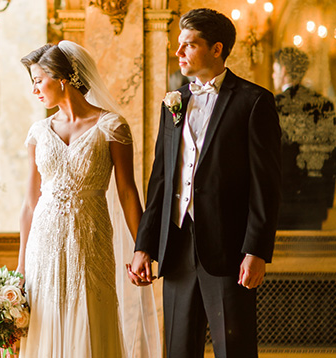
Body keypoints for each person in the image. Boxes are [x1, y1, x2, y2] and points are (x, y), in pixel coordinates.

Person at [129, 8, 281, 358]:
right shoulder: (174, 103)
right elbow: (161, 181)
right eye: (179, 45)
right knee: (179, 349)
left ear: (216, 49)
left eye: (189, 45)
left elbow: (267, 185)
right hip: (177, 244)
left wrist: (256, 250)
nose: (179, 52)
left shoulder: (254, 101)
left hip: (230, 250)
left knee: (235, 350)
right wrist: (144, 245)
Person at [17, 41, 160, 358]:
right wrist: (20, 268)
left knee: (90, 324)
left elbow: (127, 191)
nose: (35, 90)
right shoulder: (38, 133)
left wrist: (142, 250)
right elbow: (29, 204)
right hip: (43, 246)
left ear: (61, 78)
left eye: (38, 80)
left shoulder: (111, 126)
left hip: (90, 243)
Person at [272, 47, 336, 230]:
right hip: (315, 195)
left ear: (283, 71)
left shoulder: (274, 105)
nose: (273, 74)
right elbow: (331, 152)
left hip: (283, 195)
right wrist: (327, 199)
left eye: (274, 70)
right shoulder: (325, 105)